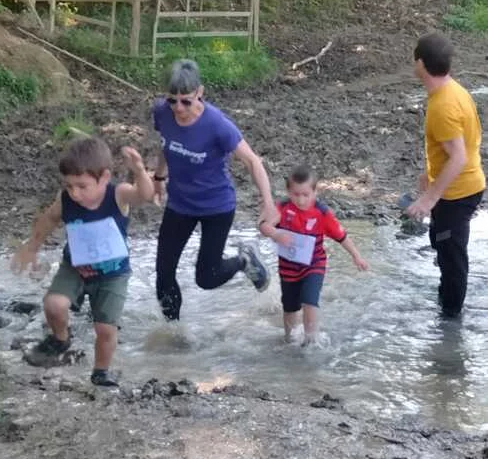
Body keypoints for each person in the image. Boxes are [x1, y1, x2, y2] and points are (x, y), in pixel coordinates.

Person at [11, 136, 154, 386]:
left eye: (82, 186)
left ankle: (101, 372)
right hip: (74, 268)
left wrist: (140, 171)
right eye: (69, 186)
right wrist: (31, 247)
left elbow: (144, 195)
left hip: (113, 275)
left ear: (105, 177)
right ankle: (60, 339)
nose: (74, 193)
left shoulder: (117, 194)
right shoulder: (66, 199)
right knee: (53, 304)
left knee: (105, 329)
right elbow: (49, 219)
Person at [152, 59, 278, 321]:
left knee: (206, 278)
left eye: (186, 101)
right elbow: (165, 144)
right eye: (172, 100)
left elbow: (252, 161)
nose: (178, 108)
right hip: (179, 204)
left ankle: (244, 260)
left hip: (216, 207)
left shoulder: (217, 125)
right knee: (163, 273)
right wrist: (159, 177)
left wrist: (268, 203)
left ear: (200, 92)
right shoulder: (162, 112)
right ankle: (173, 331)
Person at [407, 32, 485, 318]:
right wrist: (428, 175)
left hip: (459, 192)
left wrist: (429, 198)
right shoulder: (453, 91)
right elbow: (457, 147)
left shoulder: (443, 105)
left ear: (421, 64)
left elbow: (459, 157)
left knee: (452, 258)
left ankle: (450, 322)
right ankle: (446, 303)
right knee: (441, 242)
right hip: (458, 186)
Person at [259, 165, 368, 346]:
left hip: (314, 265)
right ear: (288, 192)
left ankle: (311, 341)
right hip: (288, 269)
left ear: (315, 192)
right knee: (290, 308)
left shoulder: (322, 213)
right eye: (296, 194)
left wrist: (357, 256)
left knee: (309, 302)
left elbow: (341, 236)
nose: (301, 200)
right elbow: (263, 225)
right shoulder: (282, 208)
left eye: (306, 195)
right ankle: (289, 340)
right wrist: (275, 233)